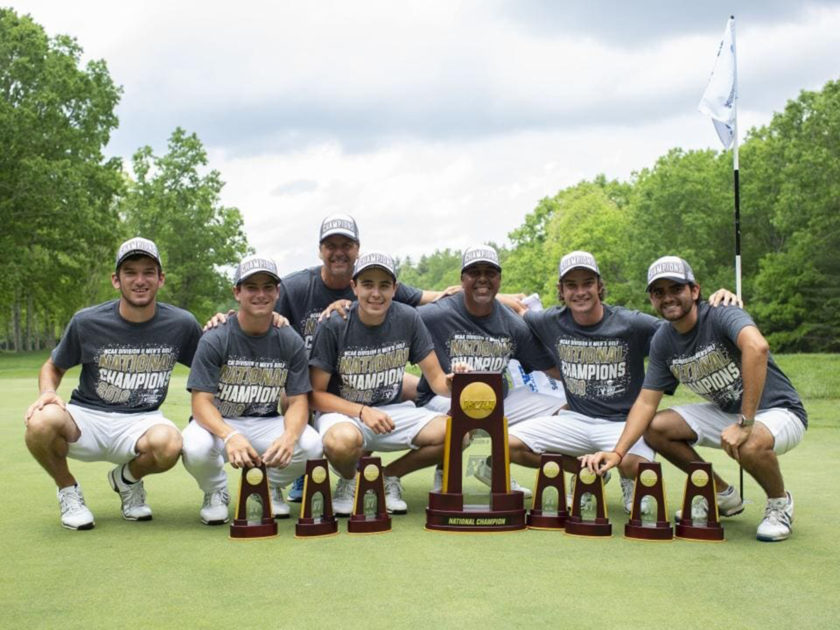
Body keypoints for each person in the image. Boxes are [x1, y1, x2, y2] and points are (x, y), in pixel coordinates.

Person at [581, 256, 806, 542]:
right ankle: (720, 494)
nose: (668, 298)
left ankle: (779, 503)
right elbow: (647, 403)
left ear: (694, 291)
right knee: (656, 427)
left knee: (749, 444)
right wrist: (618, 452)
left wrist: (746, 422)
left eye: (676, 288)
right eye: (658, 292)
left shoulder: (722, 312)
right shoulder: (663, 339)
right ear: (651, 298)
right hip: (729, 412)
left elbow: (757, 347)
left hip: (779, 410)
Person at [507, 251, 739, 513]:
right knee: (507, 446)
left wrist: (715, 304)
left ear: (599, 286)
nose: (580, 292)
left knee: (635, 467)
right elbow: (518, 309)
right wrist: (462, 291)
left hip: (624, 424)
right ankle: (589, 472)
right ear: (561, 290)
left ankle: (626, 476)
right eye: (571, 285)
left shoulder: (632, 323)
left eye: (587, 283)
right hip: (575, 420)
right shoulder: (549, 320)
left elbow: (681, 321)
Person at [24, 237, 202, 530]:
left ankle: (127, 480)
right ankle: (68, 490)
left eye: (148, 272)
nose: (140, 280)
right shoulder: (87, 321)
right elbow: (54, 365)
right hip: (86, 419)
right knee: (41, 420)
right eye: (130, 272)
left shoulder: (182, 324)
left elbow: (209, 364)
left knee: (169, 445)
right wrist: (47, 393)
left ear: (161, 279)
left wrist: (232, 322)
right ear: (116, 280)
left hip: (142, 420)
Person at [308, 251, 457, 515]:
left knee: (457, 433)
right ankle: (349, 479)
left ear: (395, 289)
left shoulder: (409, 318)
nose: (376, 293)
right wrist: (363, 411)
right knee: (341, 442)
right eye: (367, 284)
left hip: (392, 411)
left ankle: (386, 476)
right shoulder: (334, 323)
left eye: (384, 285)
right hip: (344, 414)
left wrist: (458, 382)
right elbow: (315, 395)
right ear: (354, 286)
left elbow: (437, 381)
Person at [181, 255, 323, 524]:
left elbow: (298, 401)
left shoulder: (288, 337)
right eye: (251, 287)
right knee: (194, 446)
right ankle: (215, 492)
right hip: (220, 422)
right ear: (237, 292)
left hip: (265, 421)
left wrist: (289, 436)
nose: (260, 294)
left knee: (311, 444)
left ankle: (267, 486)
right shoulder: (216, 336)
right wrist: (230, 434)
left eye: (268, 287)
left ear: (277, 292)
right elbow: (201, 403)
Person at [416, 245, 567, 496]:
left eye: (490, 272)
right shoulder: (437, 314)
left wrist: (587, 386)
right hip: (441, 398)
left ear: (499, 279)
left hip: (498, 400)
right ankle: (444, 472)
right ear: (462, 279)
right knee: (469, 411)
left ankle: (492, 465)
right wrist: (348, 306)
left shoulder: (511, 323)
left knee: (564, 410)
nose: (483, 278)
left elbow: (550, 366)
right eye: (474, 272)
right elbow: (393, 316)